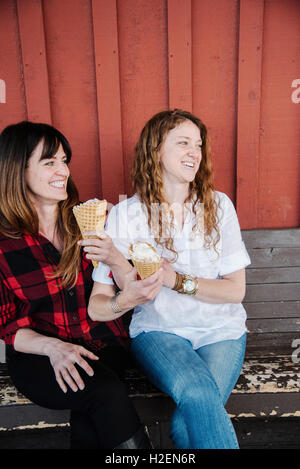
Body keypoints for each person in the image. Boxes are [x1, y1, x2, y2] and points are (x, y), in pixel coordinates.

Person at [86, 109, 251, 449]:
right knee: (197, 391)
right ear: (155, 150)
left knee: (188, 422)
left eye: (199, 144)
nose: (195, 152)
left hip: (222, 331)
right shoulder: (124, 215)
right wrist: (125, 295)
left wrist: (176, 280)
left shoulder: (219, 206)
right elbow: (97, 307)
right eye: (183, 143)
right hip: (159, 333)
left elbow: (235, 291)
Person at [0, 120, 156, 449]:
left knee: (95, 404)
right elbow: (10, 326)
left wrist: (115, 254)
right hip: (38, 352)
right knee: (102, 393)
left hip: (103, 340)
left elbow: (131, 285)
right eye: (49, 162)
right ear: (17, 170)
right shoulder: (4, 244)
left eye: (64, 161)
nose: (64, 171)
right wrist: (53, 348)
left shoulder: (89, 221)